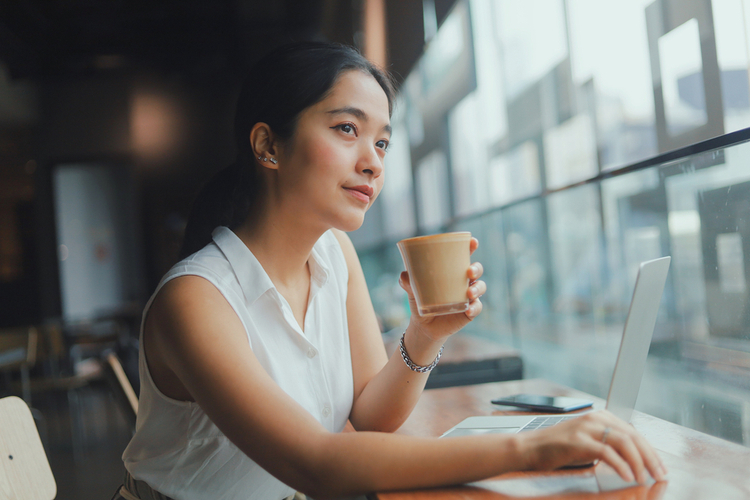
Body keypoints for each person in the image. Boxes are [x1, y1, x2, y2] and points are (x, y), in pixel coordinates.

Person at [115, 41, 666, 500]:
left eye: (382, 141)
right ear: (268, 146)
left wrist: (426, 332)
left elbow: (371, 417)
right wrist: (531, 447)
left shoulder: (334, 254)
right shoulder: (195, 300)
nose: (374, 160)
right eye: (347, 130)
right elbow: (319, 464)